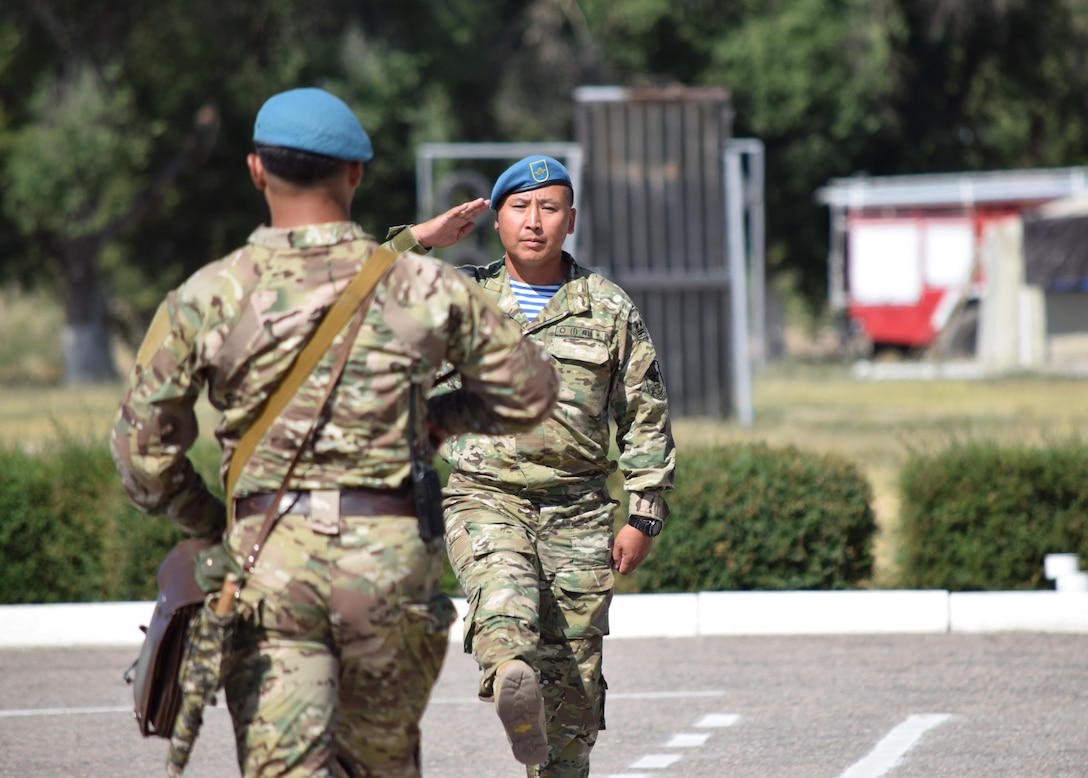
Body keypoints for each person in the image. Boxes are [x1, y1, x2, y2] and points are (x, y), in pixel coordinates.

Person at [110, 88, 559, 778]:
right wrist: (438, 422)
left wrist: (210, 519)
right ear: (356, 174)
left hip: (267, 562)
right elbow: (533, 392)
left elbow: (142, 455)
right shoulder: (424, 286)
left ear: (257, 170)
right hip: (388, 564)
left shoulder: (208, 294)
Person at [440, 155, 676, 777]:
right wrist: (420, 241)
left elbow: (644, 414)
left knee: (572, 699)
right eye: (520, 207)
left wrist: (644, 515)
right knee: (505, 608)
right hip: (486, 498)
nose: (534, 222)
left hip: (578, 511)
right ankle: (511, 677)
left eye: (549, 208)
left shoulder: (607, 307)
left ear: (570, 220)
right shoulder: (461, 301)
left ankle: (548, 734)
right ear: (497, 219)